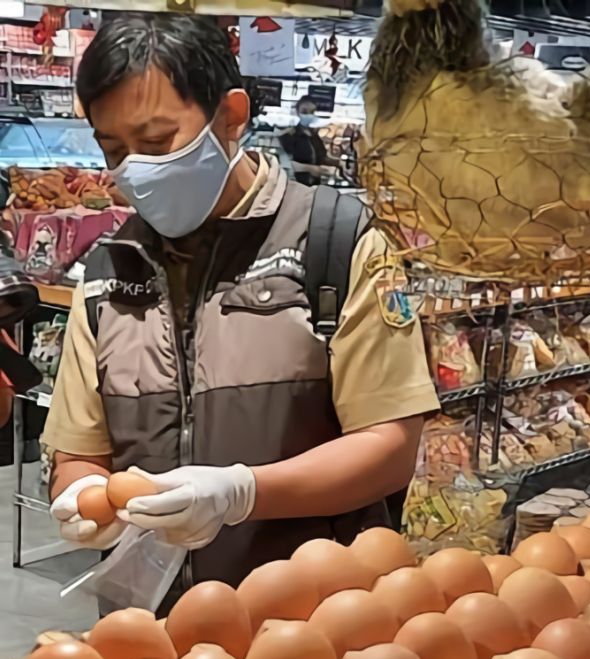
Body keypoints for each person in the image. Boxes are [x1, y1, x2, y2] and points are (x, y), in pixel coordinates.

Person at [44, 14, 439, 591]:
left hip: (313, 623)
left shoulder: (336, 244)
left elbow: (390, 448)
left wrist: (241, 492)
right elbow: (81, 450)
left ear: (230, 116)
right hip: (156, 630)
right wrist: (80, 495)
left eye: (156, 141)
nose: (136, 170)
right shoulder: (110, 271)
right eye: (114, 150)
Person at [279, 96, 340, 186]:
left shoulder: (314, 136)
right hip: (294, 184)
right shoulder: (289, 135)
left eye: (311, 112)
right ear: (297, 112)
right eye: (304, 111)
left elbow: (322, 157)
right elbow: (285, 164)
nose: (308, 115)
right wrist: (310, 169)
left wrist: (340, 163)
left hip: (315, 185)